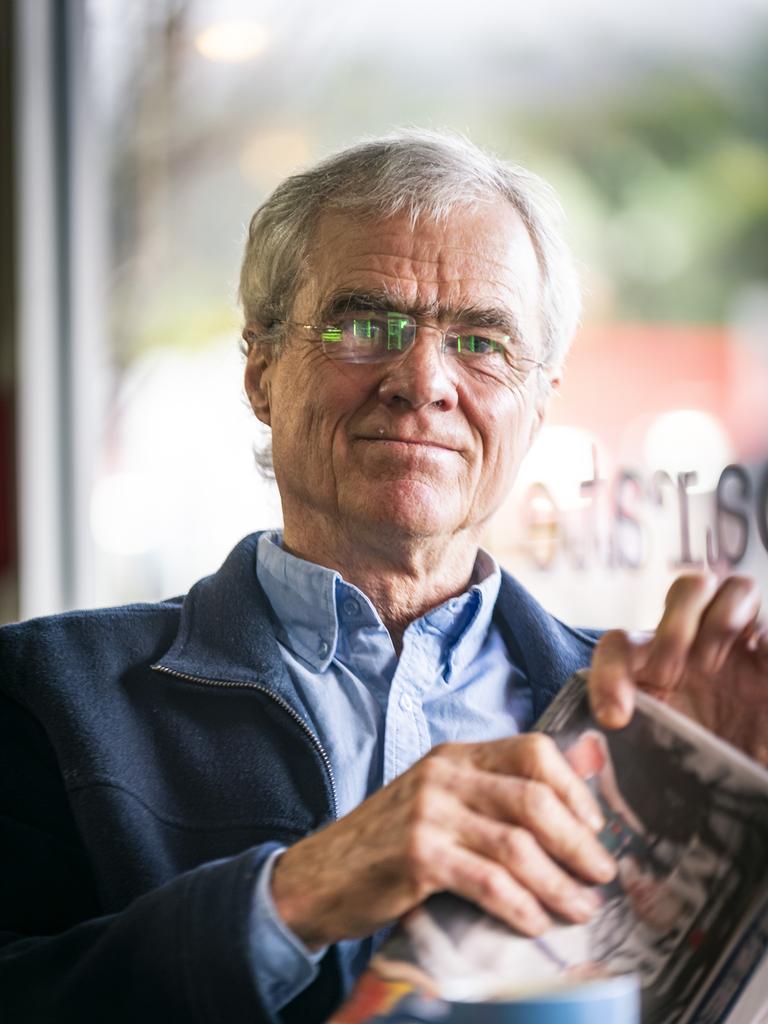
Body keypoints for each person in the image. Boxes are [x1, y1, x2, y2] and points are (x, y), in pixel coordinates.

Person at [1, 130, 765, 1024]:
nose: (423, 380)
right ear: (260, 371)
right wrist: (296, 894)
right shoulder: (47, 692)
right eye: (366, 325)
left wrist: (741, 841)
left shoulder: (647, 719)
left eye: (481, 340)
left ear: (538, 404)